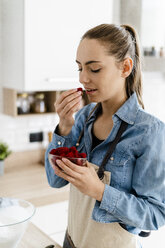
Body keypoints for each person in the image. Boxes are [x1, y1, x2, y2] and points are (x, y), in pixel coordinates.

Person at [45, 24, 165, 248]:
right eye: (79, 68)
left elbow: (155, 215)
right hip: (71, 240)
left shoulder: (149, 131)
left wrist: (100, 191)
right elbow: (55, 180)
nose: (83, 78)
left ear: (125, 67)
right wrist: (64, 126)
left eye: (94, 69)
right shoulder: (81, 118)